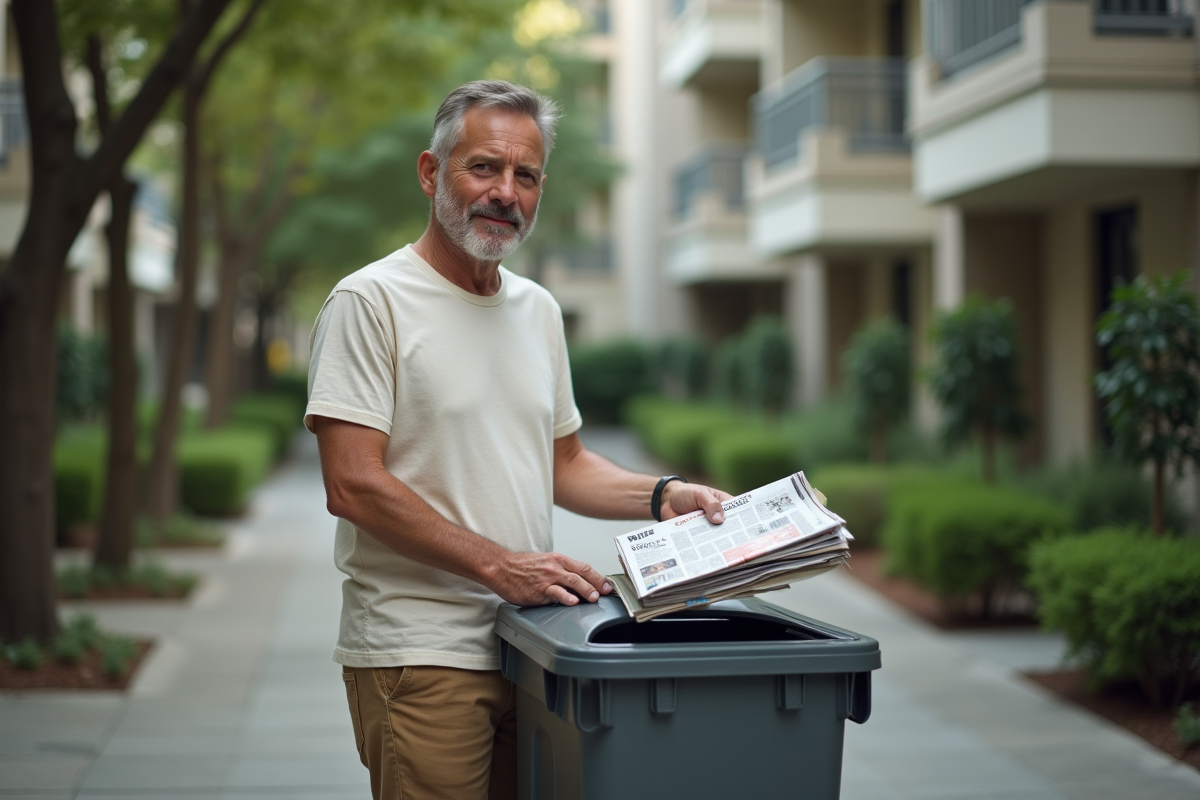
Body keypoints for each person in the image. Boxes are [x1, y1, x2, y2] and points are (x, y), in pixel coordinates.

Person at [305, 80, 730, 800]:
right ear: (431, 172)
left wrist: (665, 496)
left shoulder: (539, 311)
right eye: (483, 167)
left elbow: (562, 463)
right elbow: (352, 483)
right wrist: (500, 566)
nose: (505, 191)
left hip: (534, 647)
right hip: (421, 651)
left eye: (524, 175)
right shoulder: (369, 301)